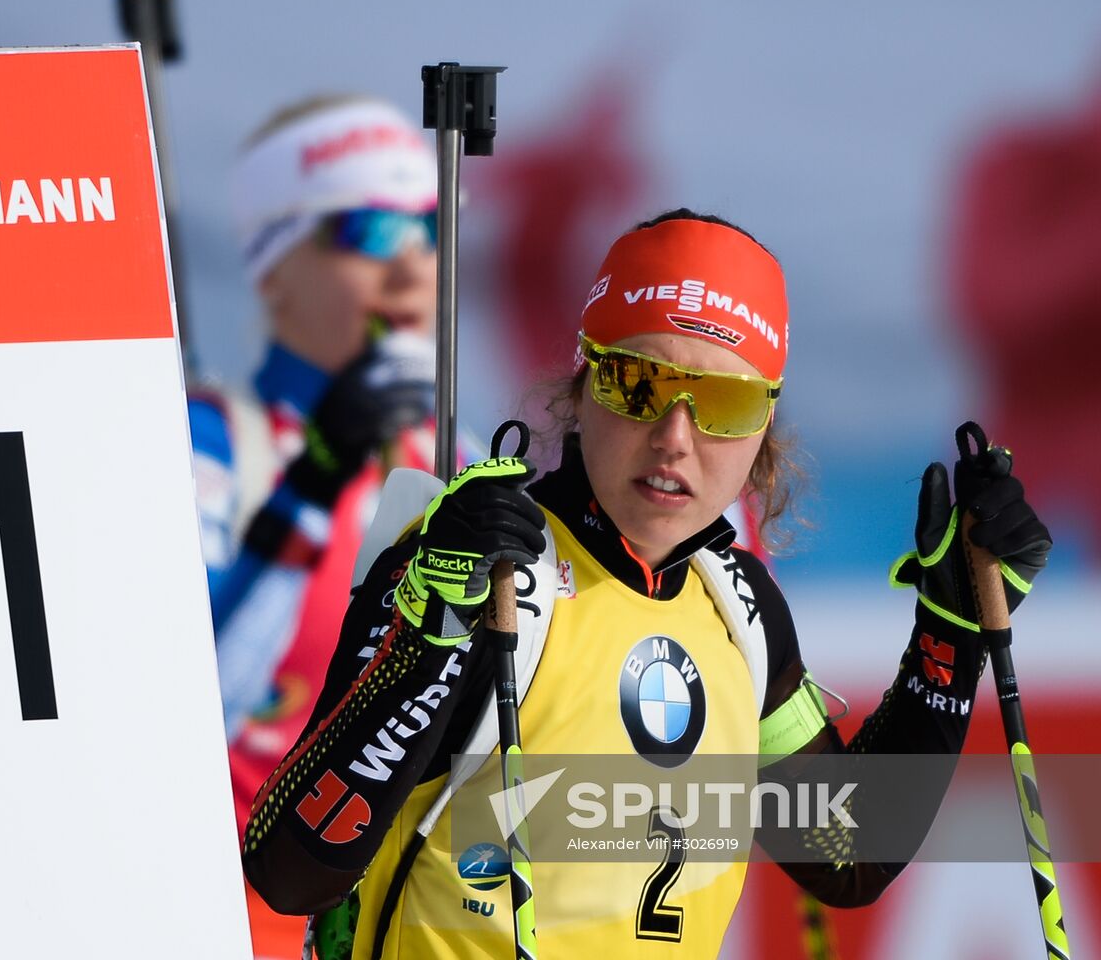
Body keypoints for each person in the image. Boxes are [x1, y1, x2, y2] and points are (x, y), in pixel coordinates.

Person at [239, 209, 1054, 958]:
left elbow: (846, 850)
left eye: (722, 404)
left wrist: (949, 635)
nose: (674, 438)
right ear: (584, 385)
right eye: (640, 384)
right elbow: (287, 872)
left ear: (765, 425)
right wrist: (430, 639)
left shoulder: (737, 606)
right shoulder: (475, 568)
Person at [189, 94, 463, 958]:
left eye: (428, 226)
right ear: (274, 270)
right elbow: (186, 707)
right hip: (225, 922)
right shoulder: (214, 440)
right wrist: (316, 479)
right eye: (370, 232)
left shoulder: (449, 459)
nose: (413, 265)